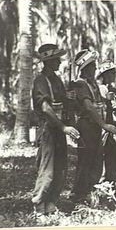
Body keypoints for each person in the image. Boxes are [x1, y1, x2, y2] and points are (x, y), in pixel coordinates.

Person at [32, 43, 80, 215]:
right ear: (49, 61)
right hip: (48, 129)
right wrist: (63, 127)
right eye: (56, 59)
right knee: (48, 168)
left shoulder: (56, 80)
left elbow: (60, 101)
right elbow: (45, 108)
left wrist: (69, 97)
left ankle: (51, 203)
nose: (60, 62)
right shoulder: (41, 80)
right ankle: (39, 205)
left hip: (59, 128)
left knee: (60, 167)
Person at [69, 50, 116, 202]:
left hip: (94, 126)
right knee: (86, 160)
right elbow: (89, 107)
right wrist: (104, 125)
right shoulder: (80, 84)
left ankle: (91, 190)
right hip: (86, 126)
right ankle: (78, 194)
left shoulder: (92, 84)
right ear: (86, 68)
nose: (95, 69)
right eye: (93, 67)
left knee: (95, 160)